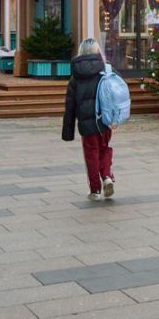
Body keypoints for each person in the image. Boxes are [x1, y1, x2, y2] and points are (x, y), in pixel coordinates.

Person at [62, 38, 115, 202]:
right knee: (104, 148)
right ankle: (107, 176)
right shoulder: (105, 69)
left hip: (86, 124)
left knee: (91, 155)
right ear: (97, 51)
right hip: (105, 120)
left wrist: (68, 131)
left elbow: (70, 106)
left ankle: (95, 190)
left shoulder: (76, 76)